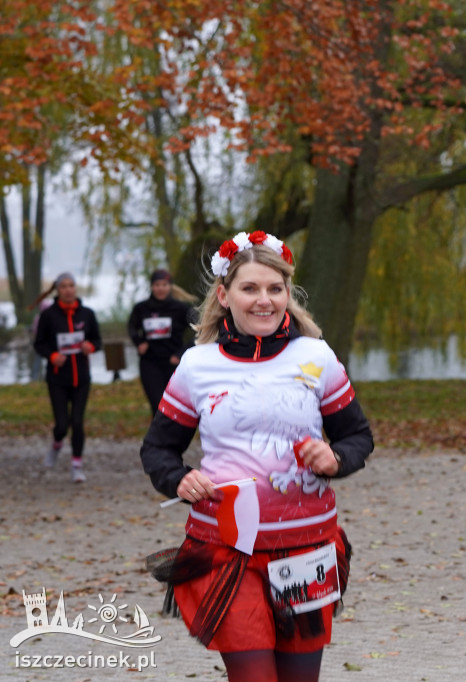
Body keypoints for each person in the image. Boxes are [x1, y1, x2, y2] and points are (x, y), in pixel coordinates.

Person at [140, 231, 374, 682]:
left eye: (275, 288)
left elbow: (357, 437)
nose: (263, 300)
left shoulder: (317, 357)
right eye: (250, 288)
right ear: (225, 296)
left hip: (307, 549)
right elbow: (159, 448)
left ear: (288, 292)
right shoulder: (197, 365)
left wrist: (335, 458)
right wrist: (178, 479)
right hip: (228, 551)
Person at [32, 272, 103, 483]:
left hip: (81, 378)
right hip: (57, 379)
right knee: (62, 425)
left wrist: (90, 346)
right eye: (63, 286)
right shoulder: (49, 315)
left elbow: (97, 341)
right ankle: (56, 444)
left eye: (71, 285)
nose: (68, 290)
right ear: (57, 290)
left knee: (78, 422)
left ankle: (76, 464)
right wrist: (52, 356)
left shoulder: (87, 314)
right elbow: (39, 344)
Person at [127, 269, 195, 414]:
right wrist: (138, 342)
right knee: (157, 405)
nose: (160, 288)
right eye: (157, 284)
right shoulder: (141, 308)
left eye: (164, 284)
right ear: (152, 286)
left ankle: (173, 436)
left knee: (174, 406)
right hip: (150, 363)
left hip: (173, 362)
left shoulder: (181, 308)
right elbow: (132, 327)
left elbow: (199, 331)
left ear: (170, 286)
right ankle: (158, 436)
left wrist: (181, 353)